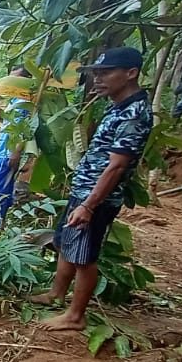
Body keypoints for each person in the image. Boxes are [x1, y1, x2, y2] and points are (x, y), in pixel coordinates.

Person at [31, 47, 153, 331]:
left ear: (131, 73)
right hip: (85, 190)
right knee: (65, 243)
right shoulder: (119, 106)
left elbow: (116, 167)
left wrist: (89, 205)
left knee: (84, 256)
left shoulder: (134, 114)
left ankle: (75, 316)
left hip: (96, 197)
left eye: (105, 73)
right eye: (95, 74)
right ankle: (56, 294)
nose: (97, 80)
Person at [0, 67, 33, 230]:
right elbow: (7, 129)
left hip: (9, 154)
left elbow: (24, 130)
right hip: (2, 152)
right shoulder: (13, 102)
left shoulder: (25, 105)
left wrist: (16, 152)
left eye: (15, 79)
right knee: (1, 187)